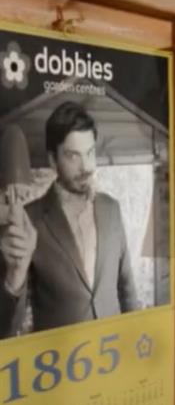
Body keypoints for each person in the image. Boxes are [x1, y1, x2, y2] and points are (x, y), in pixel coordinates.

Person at [0, 101, 138, 337]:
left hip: (115, 357)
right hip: (62, 364)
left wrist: (135, 339)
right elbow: (8, 327)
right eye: (73, 156)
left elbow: (126, 287)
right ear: (53, 160)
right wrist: (15, 276)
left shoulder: (112, 209)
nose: (86, 167)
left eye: (90, 153)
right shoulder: (29, 221)